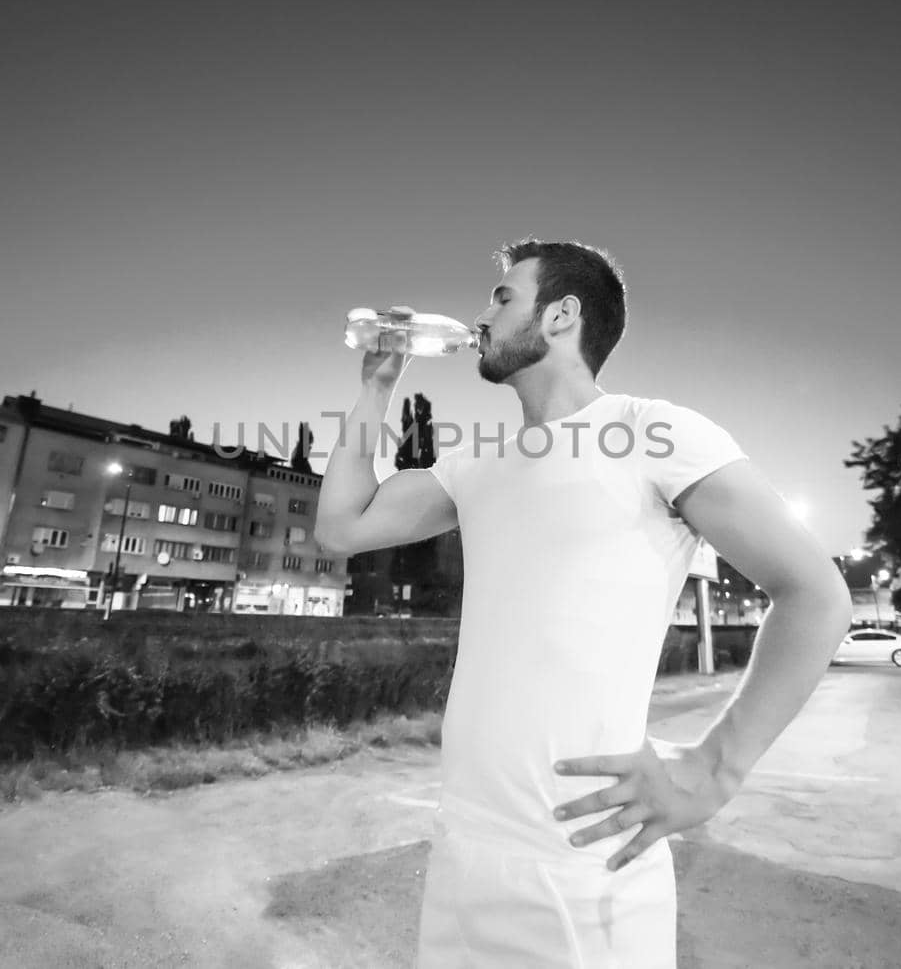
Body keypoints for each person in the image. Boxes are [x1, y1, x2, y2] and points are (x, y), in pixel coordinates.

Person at [314, 239, 852, 968]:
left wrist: (715, 770)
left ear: (561, 314)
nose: (482, 316)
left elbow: (816, 595)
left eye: (503, 298)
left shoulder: (656, 434)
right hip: (465, 855)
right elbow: (342, 525)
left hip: (585, 867)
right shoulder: (478, 464)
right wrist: (377, 387)